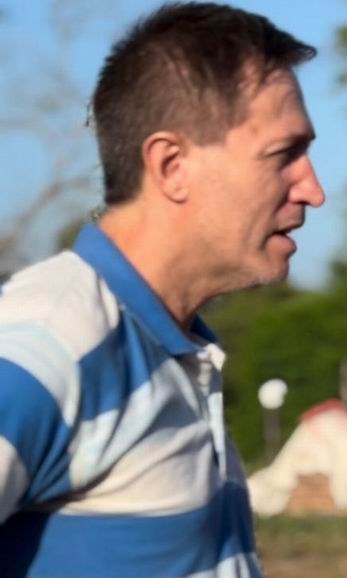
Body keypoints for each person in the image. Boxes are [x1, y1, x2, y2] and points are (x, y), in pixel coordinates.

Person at [0, 3, 323, 576]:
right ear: (172, 166)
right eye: (283, 154)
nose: (313, 190)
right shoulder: (50, 342)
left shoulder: (178, 351)